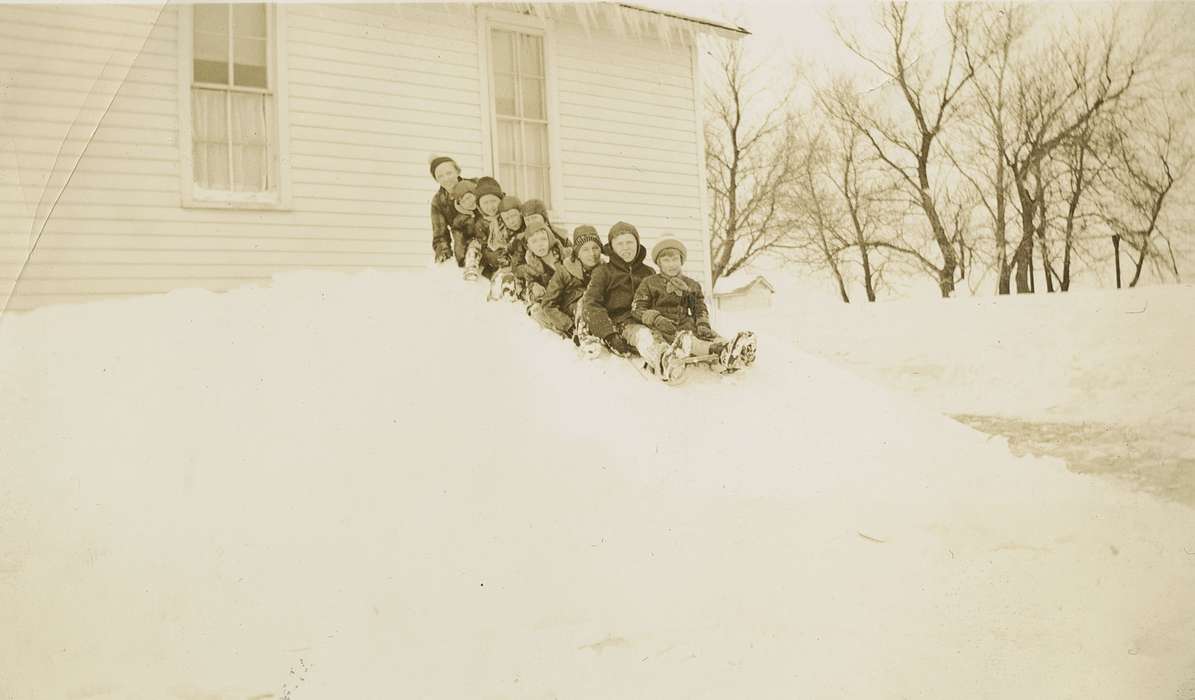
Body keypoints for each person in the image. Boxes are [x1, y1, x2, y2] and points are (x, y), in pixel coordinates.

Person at [632, 238, 757, 375]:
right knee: (688, 340)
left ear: (681, 261)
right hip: (663, 327)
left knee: (709, 335)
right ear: (659, 263)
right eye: (666, 260)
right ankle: (719, 351)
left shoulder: (691, 284)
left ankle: (735, 349)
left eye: (675, 259)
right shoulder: (649, 283)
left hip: (686, 323)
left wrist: (702, 323)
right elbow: (638, 308)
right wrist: (656, 319)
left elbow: (699, 306)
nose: (671, 264)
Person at [580, 221, 656, 358]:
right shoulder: (603, 272)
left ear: (637, 244)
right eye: (620, 244)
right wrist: (609, 334)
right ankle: (663, 360)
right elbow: (591, 304)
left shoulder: (648, 272)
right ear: (612, 247)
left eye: (630, 242)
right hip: (621, 325)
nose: (625, 248)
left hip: (648, 321)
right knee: (644, 336)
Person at [530, 225, 603, 340]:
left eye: (595, 248)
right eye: (585, 249)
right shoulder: (564, 271)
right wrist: (568, 326)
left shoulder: (606, 269)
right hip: (570, 312)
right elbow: (548, 304)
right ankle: (583, 335)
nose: (592, 254)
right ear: (577, 252)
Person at [514, 219, 569, 306]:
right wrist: (534, 287)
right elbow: (530, 285)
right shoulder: (531, 267)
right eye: (534, 241)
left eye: (543, 239)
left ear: (549, 239)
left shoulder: (565, 255)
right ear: (529, 246)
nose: (540, 244)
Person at [428, 156, 469, 265]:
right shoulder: (438, 201)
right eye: (440, 176)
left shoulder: (474, 186)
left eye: (449, 173)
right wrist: (443, 254)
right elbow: (440, 235)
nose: (446, 178)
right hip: (463, 250)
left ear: (457, 171)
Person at [469, 177, 506, 279]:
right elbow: (483, 246)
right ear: (479, 205)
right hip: (491, 262)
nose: (490, 206)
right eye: (485, 202)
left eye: (493, 201)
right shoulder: (480, 223)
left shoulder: (507, 217)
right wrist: (493, 257)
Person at [448, 180, 479, 268]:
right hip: (472, 246)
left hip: (487, 245)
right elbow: (459, 241)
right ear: (460, 204)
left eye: (469, 198)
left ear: (475, 194)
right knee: (472, 251)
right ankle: (470, 268)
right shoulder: (459, 221)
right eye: (463, 201)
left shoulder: (483, 211)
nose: (468, 202)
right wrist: (461, 258)